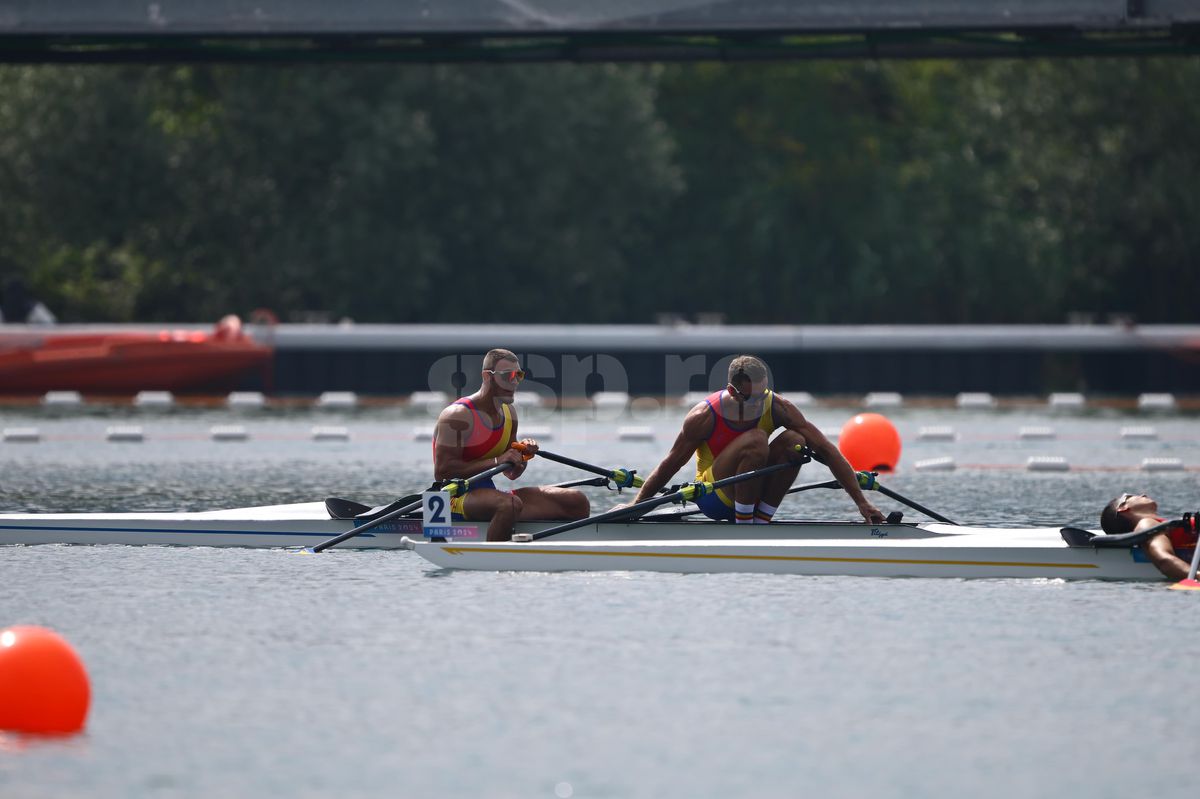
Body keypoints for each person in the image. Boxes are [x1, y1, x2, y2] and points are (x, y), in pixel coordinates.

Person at [629, 355, 885, 525]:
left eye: (763, 396)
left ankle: (761, 522)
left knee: (795, 440)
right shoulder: (703, 416)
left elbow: (827, 451)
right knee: (756, 439)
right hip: (714, 497)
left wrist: (862, 503)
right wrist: (635, 507)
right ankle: (746, 525)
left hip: (754, 491)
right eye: (752, 399)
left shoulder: (779, 407)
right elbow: (670, 464)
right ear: (732, 391)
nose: (759, 404)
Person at [432, 348, 589, 541]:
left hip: (489, 495)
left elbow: (511, 473)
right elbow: (442, 472)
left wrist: (521, 457)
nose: (515, 382)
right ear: (487, 376)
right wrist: (498, 460)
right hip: (453, 497)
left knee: (576, 501)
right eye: (508, 376)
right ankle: (495, 560)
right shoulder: (457, 416)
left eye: (519, 375)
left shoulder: (509, 414)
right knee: (509, 504)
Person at [1101, 493, 1196, 581]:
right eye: (1130, 496)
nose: (1143, 494)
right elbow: (1164, 561)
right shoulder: (1146, 524)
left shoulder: (1160, 525)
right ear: (1123, 507)